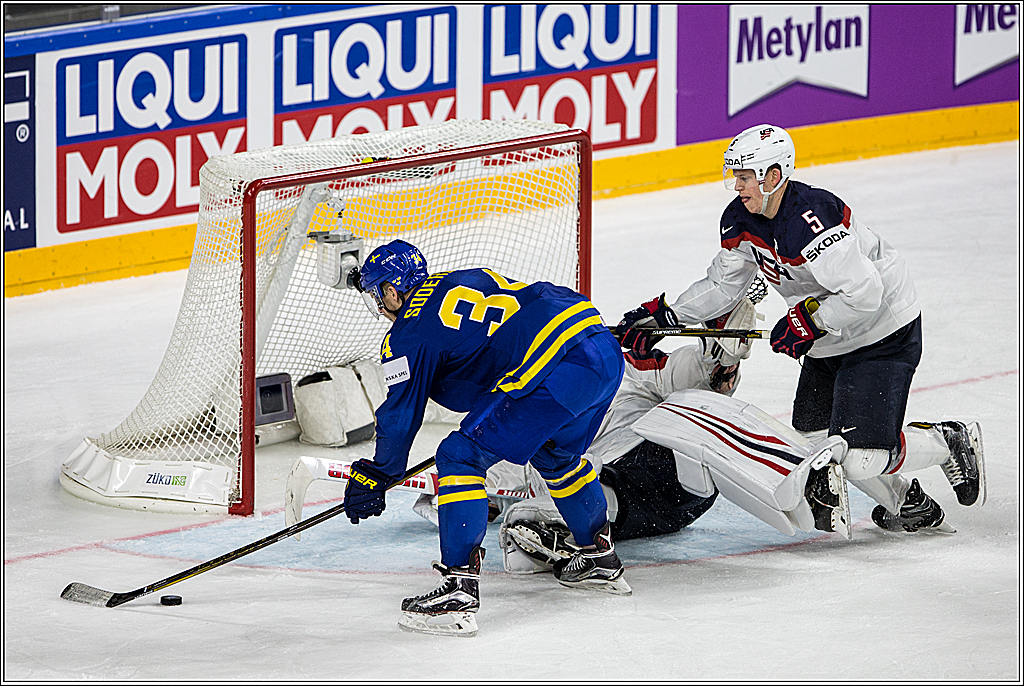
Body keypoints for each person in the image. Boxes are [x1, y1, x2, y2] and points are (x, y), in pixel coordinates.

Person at [616, 123, 985, 534]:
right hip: (830, 336)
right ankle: (909, 504)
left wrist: (810, 321)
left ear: (774, 176)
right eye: (735, 176)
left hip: (882, 329)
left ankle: (946, 441)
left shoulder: (813, 218)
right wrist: (668, 316)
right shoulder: (742, 218)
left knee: (858, 455)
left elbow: (865, 293)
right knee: (812, 443)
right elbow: (724, 284)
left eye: (744, 177)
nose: (737, 186)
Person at [342, 239, 629, 637]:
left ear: (392, 290)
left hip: (554, 365)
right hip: (600, 349)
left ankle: (458, 591)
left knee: (459, 456)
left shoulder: (408, 334)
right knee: (554, 454)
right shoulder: (456, 279)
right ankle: (598, 556)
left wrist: (379, 472)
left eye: (378, 294)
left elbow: (400, 414)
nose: (379, 304)